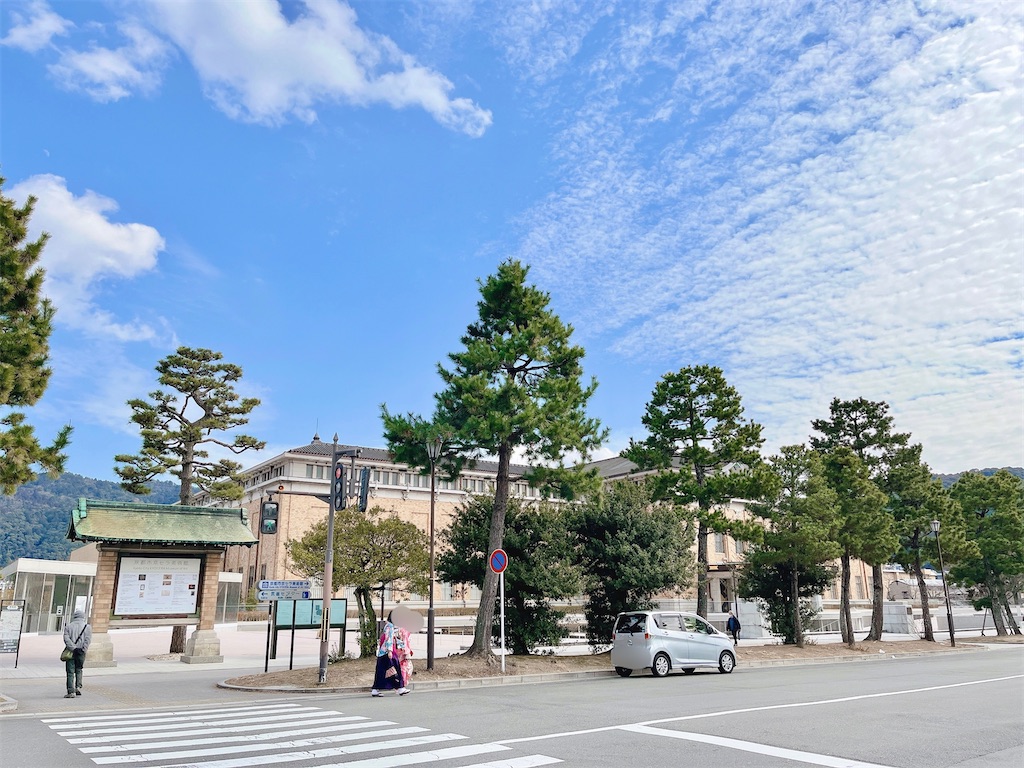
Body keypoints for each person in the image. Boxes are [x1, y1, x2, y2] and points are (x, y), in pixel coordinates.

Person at [370, 612, 408, 697]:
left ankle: (375, 689)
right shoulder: (390, 626)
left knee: (381, 671)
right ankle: (400, 687)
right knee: (396, 668)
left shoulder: (388, 626)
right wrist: (390, 651)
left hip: (383, 652)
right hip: (388, 652)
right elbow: (389, 639)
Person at [62, 610, 92, 698]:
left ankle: (71, 691)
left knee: (70, 671)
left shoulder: (69, 626)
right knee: (79, 669)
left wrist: (73, 648)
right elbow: (88, 640)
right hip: (81, 652)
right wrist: (83, 649)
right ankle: (78, 686)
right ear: (83, 616)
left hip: (71, 652)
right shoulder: (87, 627)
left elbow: (66, 639)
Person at [395, 623, 414, 689]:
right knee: (404, 667)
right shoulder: (404, 630)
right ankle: (401, 684)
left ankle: (399, 683)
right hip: (403, 650)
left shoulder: (397, 628)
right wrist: (407, 652)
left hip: (397, 650)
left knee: (399, 667)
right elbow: (405, 641)